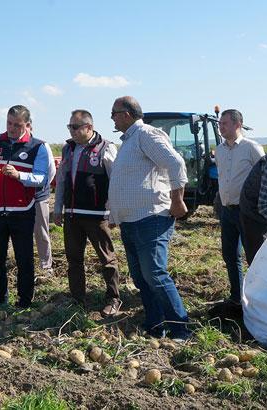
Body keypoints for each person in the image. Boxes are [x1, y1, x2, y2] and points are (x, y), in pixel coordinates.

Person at [108, 96, 190, 340]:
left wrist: (177, 200)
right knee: (142, 277)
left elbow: (175, 163)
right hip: (131, 221)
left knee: (154, 273)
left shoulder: (146, 134)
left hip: (151, 218)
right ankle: (155, 325)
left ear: (126, 114)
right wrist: (116, 212)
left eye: (114, 113)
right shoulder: (129, 141)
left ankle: (180, 328)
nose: (112, 118)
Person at [0, 105, 49, 308]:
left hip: (22, 211)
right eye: (9, 123)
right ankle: (0, 299)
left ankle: (24, 301)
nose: (12, 128)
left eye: (17, 125)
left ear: (27, 125)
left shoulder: (38, 146)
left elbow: (43, 178)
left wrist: (20, 176)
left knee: (24, 258)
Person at [53, 109, 121, 316]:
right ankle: (77, 299)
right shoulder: (68, 149)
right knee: (74, 260)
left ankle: (114, 298)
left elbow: (115, 181)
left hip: (97, 215)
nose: (71, 131)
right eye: (69, 127)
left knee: (106, 259)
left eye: (75, 127)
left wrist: (114, 212)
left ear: (89, 127)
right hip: (73, 215)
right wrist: (57, 209)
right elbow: (62, 179)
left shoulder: (106, 148)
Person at [213, 109, 265, 308]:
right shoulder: (220, 150)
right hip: (227, 210)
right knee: (230, 254)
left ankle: (258, 298)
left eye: (224, 123)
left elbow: (264, 176)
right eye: (220, 123)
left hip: (248, 212)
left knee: (254, 256)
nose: (221, 127)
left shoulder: (251, 148)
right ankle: (236, 297)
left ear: (237, 125)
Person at [33, 134, 56, 280]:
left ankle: (46, 266)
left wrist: (42, 187)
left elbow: (51, 171)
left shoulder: (41, 146)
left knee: (41, 231)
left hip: (38, 196)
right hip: (18, 198)